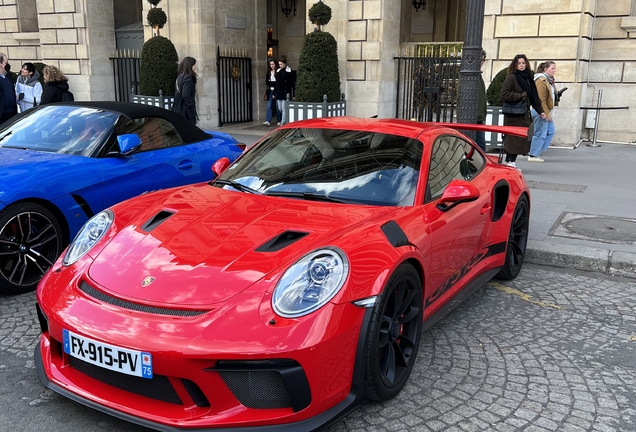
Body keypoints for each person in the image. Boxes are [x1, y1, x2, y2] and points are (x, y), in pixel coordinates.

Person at [500, 54, 545, 169]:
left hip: (523, 113)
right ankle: (511, 162)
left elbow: (533, 96)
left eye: (523, 63)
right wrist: (520, 95)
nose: (521, 65)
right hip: (512, 114)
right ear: (515, 65)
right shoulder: (511, 77)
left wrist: (540, 111)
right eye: (519, 63)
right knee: (513, 138)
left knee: (521, 138)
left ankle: (510, 161)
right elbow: (504, 94)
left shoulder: (528, 77)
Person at [528, 61, 557, 162]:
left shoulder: (548, 80)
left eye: (554, 68)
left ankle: (536, 150)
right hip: (540, 111)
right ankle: (533, 154)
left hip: (545, 110)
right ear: (545, 69)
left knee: (550, 131)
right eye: (552, 68)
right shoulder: (541, 80)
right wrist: (545, 113)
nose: (554, 70)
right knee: (539, 133)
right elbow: (541, 99)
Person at [172, 56, 198, 124]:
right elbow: (185, 95)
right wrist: (191, 106)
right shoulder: (188, 78)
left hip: (178, 109)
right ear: (190, 66)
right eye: (194, 65)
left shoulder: (180, 77)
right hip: (186, 111)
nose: (195, 67)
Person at [274, 56, 294, 126]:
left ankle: (283, 122)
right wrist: (274, 92)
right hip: (279, 92)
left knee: (284, 107)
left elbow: (292, 84)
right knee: (280, 108)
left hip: (286, 92)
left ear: (285, 64)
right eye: (279, 64)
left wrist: (293, 94)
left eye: (281, 64)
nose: (280, 65)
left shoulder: (289, 71)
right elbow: (276, 83)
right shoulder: (278, 71)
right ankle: (285, 119)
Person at [0, 53, 18, 123]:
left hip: (12, 112)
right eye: (6, 63)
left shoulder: (9, 76)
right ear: (0, 64)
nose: (8, 65)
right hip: (2, 113)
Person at [475, 50, 487, 152]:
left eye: (483, 60)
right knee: (480, 146)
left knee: (480, 146)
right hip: (473, 115)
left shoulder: (479, 75)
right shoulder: (472, 76)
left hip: (479, 116)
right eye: (479, 60)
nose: (481, 62)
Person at [263, 59, 280, 126]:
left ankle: (279, 120)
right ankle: (268, 120)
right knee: (269, 106)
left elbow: (277, 83)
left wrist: (272, 83)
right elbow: (267, 82)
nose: (272, 66)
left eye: (273, 64)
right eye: (270, 64)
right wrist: (273, 83)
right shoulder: (269, 72)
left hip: (276, 91)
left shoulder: (278, 72)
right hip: (270, 90)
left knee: (277, 106)